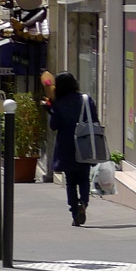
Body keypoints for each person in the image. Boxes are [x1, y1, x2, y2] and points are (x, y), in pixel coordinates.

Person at [46, 71, 98, 225]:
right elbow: (95, 120)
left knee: (70, 181)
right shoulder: (86, 100)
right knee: (84, 178)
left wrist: (50, 109)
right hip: (84, 144)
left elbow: (54, 126)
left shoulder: (58, 103)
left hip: (66, 146)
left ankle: (75, 211)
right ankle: (84, 202)